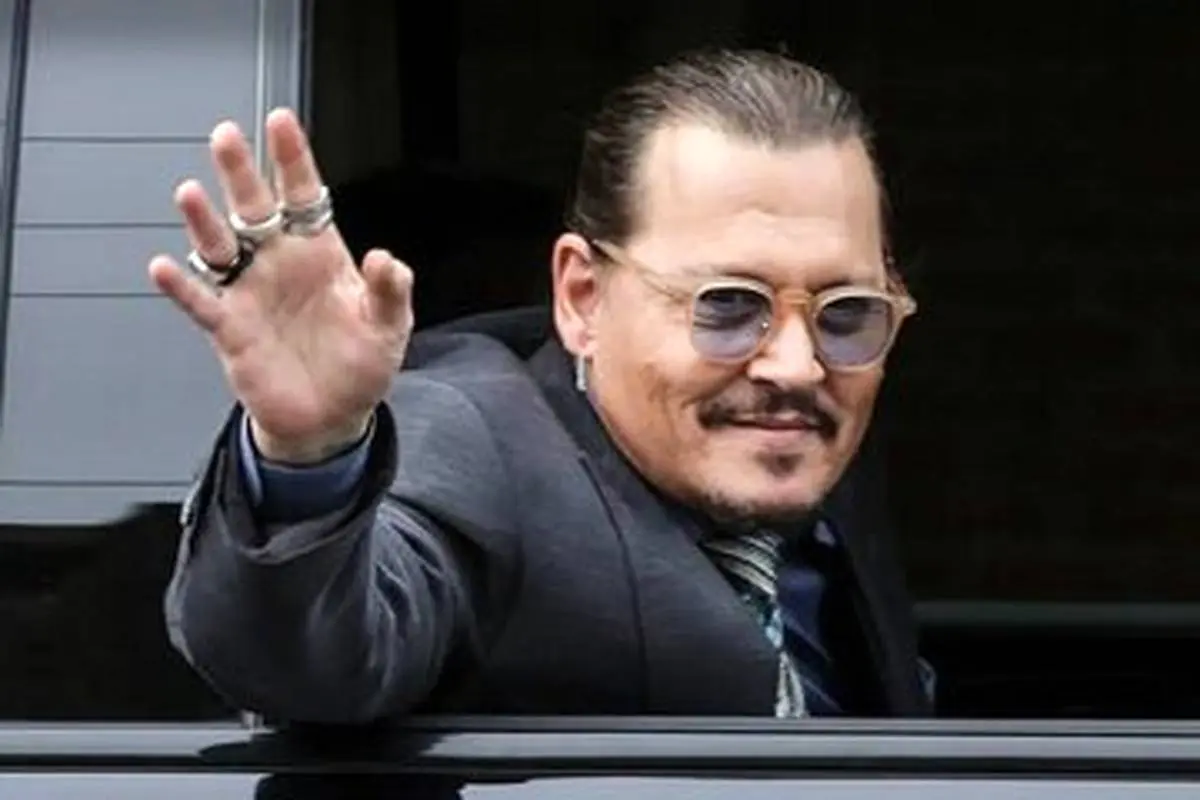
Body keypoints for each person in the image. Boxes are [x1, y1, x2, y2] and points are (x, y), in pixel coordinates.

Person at [150, 48, 932, 723]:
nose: (797, 366)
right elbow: (304, 660)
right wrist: (311, 454)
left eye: (846, 311)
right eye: (728, 305)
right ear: (583, 298)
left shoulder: (800, 444)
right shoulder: (474, 441)